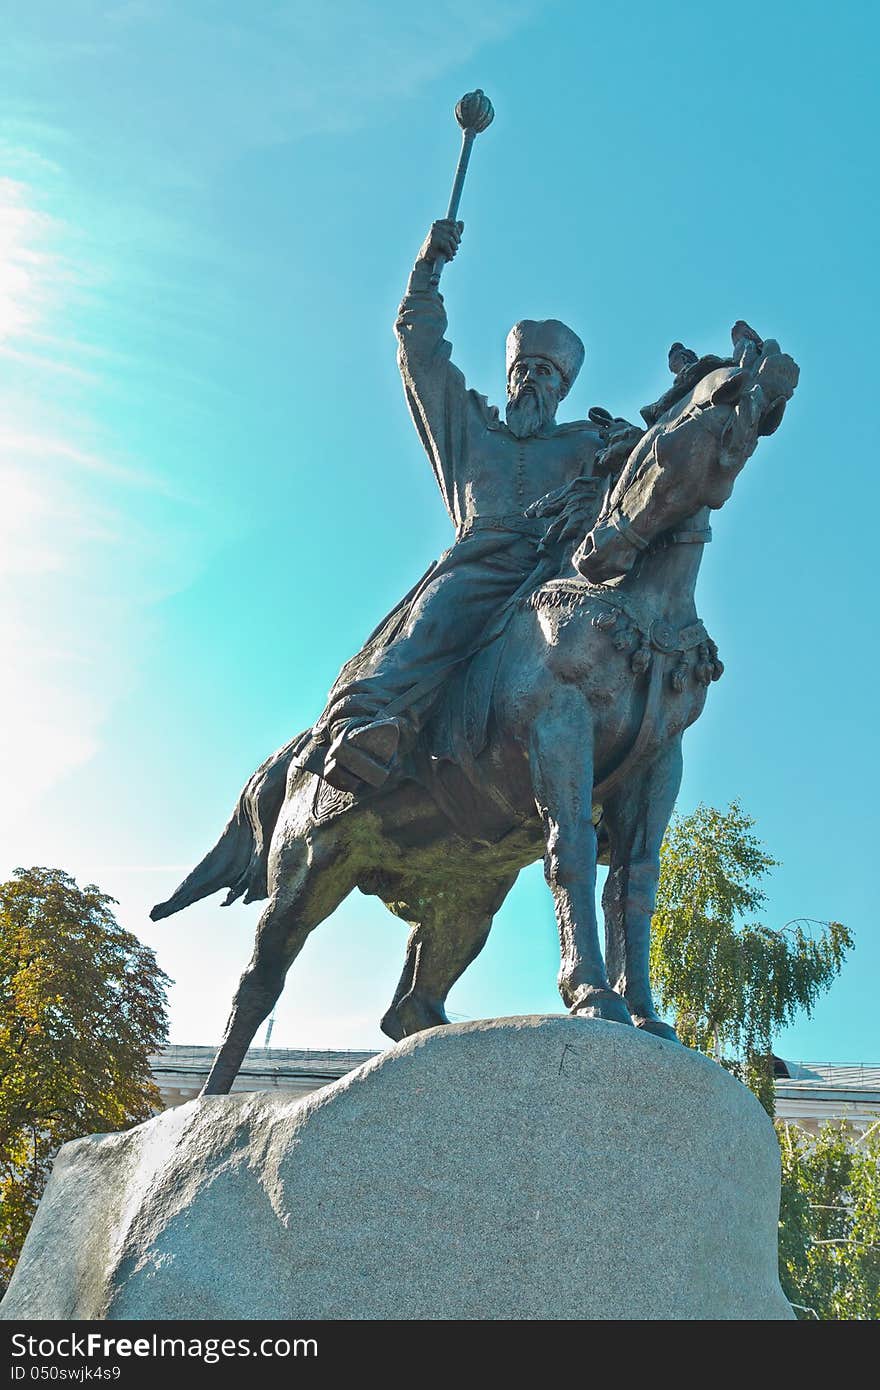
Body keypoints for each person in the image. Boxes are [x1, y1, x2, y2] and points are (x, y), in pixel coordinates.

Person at [296, 220, 612, 793]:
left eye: (545, 373)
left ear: (562, 388)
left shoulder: (587, 444)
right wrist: (427, 269)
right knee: (432, 626)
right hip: (481, 565)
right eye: (522, 370)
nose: (530, 381)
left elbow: (657, 473)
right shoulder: (469, 430)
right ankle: (365, 729)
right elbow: (419, 353)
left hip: (562, 568)